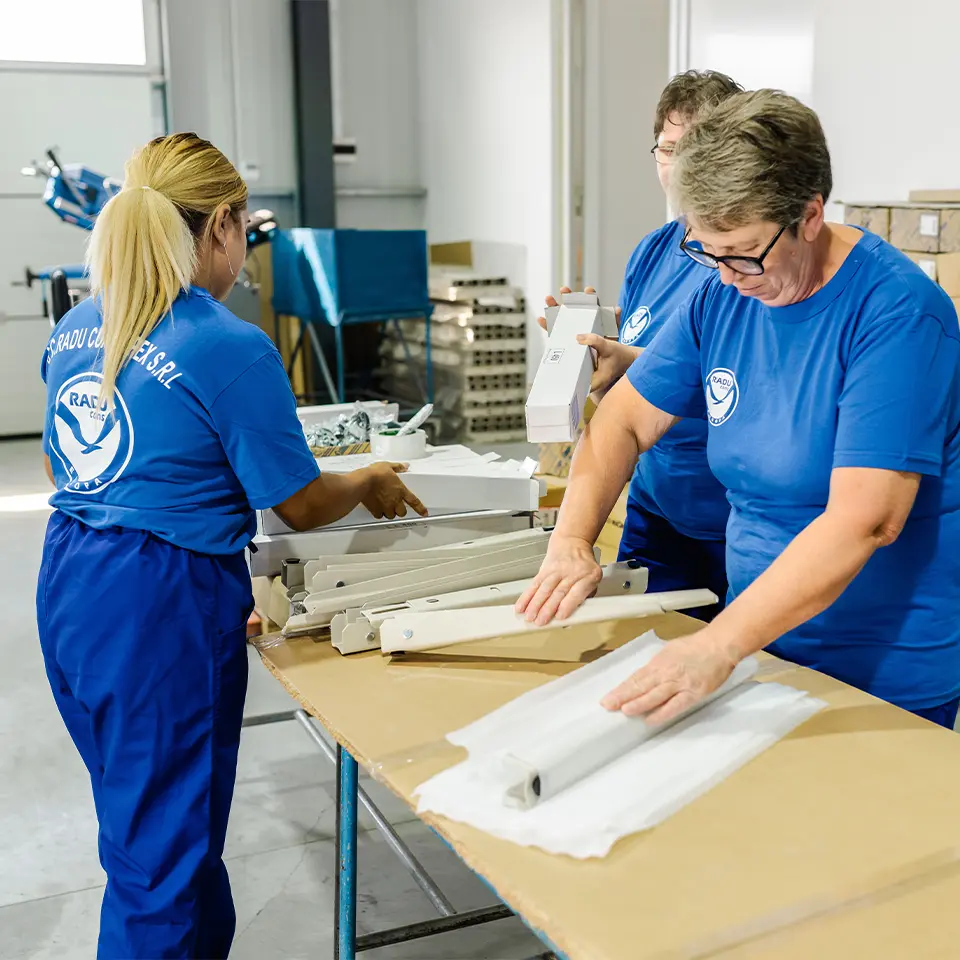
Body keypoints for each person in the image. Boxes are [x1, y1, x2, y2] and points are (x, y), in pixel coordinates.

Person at [37, 133, 426, 959]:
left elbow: (58, 462)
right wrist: (366, 478)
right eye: (245, 227)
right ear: (221, 223)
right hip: (158, 602)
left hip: (71, 576)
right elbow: (299, 502)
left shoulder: (77, 324)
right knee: (161, 862)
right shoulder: (224, 343)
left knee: (145, 821)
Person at [519, 90, 960, 730]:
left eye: (745, 251)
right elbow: (623, 419)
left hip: (879, 671)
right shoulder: (723, 297)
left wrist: (718, 643)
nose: (726, 275)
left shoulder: (898, 314)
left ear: (810, 215)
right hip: (764, 647)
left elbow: (866, 520)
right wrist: (570, 541)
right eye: (707, 251)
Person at [541, 70, 742, 619]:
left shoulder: (743, 261)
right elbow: (626, 394)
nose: (678, 166)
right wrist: (593, 351)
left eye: (693, 149)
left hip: (731, 518)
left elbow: (726, 372)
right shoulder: (654, 251)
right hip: (658, 508)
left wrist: (628, 360)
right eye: (667, 149)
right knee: (646, 648)